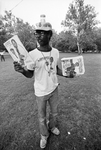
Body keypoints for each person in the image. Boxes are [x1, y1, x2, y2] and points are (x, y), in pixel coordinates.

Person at [13, 21, 74, 149]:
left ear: (49, 34)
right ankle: (44, 135)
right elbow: (30, 74)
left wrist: (67, 74)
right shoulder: (32, 54)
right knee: (41, 118)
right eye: (37, 33)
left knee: (54, 113)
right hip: (40, 92)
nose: (38, 36)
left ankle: (52, 127)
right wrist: (22, 71)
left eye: (42, 33)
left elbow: (55, 69)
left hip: (54, 89)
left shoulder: (56, 52)